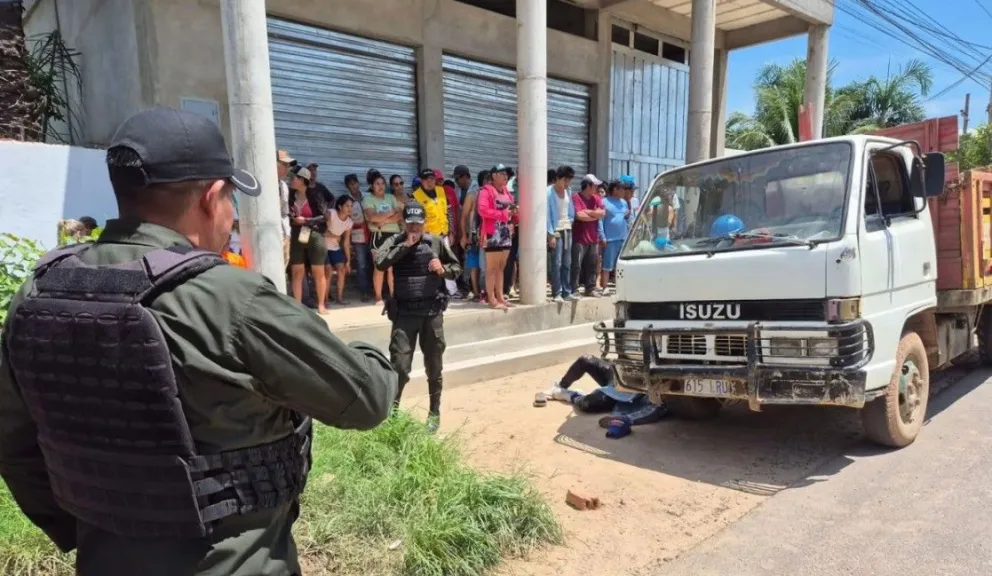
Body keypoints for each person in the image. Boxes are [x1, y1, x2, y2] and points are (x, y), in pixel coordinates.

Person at [0, 106, 398, 576]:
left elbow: (14, 440)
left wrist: (85, 529)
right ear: (212, 197)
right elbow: (367, 399)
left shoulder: (39, 292)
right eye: (231, 199)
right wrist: (370, 353)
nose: (231, 215)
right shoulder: (230, 297)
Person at [375, 202, 462, 433]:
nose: (414, 228)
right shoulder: (395, 241)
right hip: (404, 315)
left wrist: (442, 269)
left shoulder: (435, 242)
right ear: (403, 223)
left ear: (424, 224)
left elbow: (456, 268)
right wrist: (405, 246)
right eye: (410, 224)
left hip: (431, 313)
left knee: (434, 367)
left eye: (418, 224)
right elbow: (380, 262)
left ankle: (434, 413)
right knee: (400, 368)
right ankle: (392, 414)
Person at [535, 355, 667, 429]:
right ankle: (559, 386)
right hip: (619, 375)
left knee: (589, 404)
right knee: (585, 360)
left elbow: (653, 410)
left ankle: (569, 395)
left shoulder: (668, 387)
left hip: (629, 395)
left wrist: (621, 420)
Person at [288, 166, 331, 313]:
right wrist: (293, 219)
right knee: (297, 271)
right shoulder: (289, 195)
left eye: (293, 178)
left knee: (318, 271)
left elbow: (324, 217)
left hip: (315, 235)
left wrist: (305, 220)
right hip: (297, 235)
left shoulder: (315, 194)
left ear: (301, 180)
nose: (290, 180)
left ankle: (321, 304)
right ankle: (297, 306)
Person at [477, 164, 516, 310]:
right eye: (502, 174)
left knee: (501, 267)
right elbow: (482, 210)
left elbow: (508, 210)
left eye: (506, 174)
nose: (505, 177)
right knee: (491, 268)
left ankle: (500, 297)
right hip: (492, 232)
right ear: (493, 176)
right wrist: (502, 214)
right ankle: (492, 299)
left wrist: (513, 213)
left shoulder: (506, 191)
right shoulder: (486, 191)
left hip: (505, 232)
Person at [364, 171, 402, 304]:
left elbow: (400, 215)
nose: (380, 186)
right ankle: (378, 297)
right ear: (372, 186)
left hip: (394, 234)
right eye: (377, 184)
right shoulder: (368, 199)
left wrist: (384, 220)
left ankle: (394, 296)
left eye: (382, 183)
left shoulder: (391, 197)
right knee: (379, 267)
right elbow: (372, 217)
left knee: (393, 268)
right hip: (378, 236)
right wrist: (391, 212)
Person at [572, 174, 606, 297]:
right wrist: (594, 215)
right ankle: (574, 288)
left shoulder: (596, 198)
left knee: (592, 264)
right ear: (588, 186)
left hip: (593, 238)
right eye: (594, 186)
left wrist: (588, 212)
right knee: (576, 265)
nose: (596, 189)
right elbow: (579, 216)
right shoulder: (576, 197)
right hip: (580, 238)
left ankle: (590, 288)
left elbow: (602, 213)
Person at [546, 165, 576, 302]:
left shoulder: (568, 191)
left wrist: (570, 220)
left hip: (567, 229)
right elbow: (546, 215)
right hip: (556, 230)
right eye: (565, 180)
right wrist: (550, 234)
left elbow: (571, 211)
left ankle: (567, 291)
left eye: (569, 180)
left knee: (567, 262)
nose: (567, 183)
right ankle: (557, 292)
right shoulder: (548, 192)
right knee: (556, 262)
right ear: (557, 179)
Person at [344, 173, 372, 302]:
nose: (354, 186)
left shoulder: (367, 196)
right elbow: (344, 220)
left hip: (373, 235)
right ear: (347, 187)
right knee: (361, 265)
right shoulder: (346, 201)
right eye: (351, 184)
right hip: (358, 237)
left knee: (374, 263)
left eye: (355, 183)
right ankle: (364, 291)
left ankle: (376, 289)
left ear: (358, 184)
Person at [598, 180, 629, 294]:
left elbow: (626, 218)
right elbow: (600, 221)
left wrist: (627, 217)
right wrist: (602, 236)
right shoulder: (604, 202)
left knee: (620, 264)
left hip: (623, 238)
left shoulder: (624, 202)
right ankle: (605, 286)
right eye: (622, 189)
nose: (624, 192)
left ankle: (619, 286)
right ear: (615, 190)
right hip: (610, 238)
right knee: (607, 264)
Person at [325, 194, 355, 305]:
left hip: (335, 248)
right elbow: (321, 231)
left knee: (341, 269)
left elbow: (346, 242)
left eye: (351, 206)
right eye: (347, 206)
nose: (350, 208)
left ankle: (339, 298)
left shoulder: (349, 222)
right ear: (339, 207)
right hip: (322, 247)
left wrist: (348, 260)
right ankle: (325, 300)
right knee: (328, 271)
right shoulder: (331, 213)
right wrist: (334, 236)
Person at [412, 168, 450, 244]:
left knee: (447, 255)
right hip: (429, 238)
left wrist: (451, 232)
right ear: (421, 181)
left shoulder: (441, 191)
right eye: (426, 179)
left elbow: (449, 211)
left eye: (432, 179)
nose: (429, 182)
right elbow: (414, 221)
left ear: (435, 180)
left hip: (445, 235)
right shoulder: (415, 197)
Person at [277, 150, 294, 266]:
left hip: (283, 234)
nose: (287, 169)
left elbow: (285, 213)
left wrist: (287, 234)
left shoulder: (284, 186)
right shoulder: (263, 184)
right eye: (284, 165)